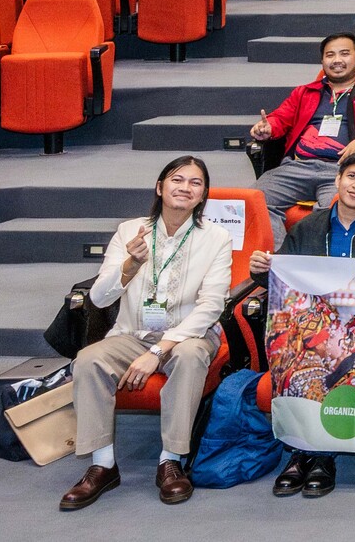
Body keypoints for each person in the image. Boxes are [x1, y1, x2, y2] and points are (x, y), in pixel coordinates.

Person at [60, 156, 230, 511]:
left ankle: (171, 461)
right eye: (177, 179)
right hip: (132, 333)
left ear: (203, 196)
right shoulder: (129, 231)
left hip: (189, 335)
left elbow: (211, 306)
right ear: (160, 187)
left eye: (195, 183)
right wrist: (130, 264)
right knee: (88, 360)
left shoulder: (216, 238)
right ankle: (103, 465)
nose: (185, 187)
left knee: (188, 356)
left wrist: (158, 352)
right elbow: (99, 298)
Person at [251, 151, 355, 501]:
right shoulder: (308, 227)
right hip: (315, 329)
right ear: (338, 179)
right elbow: (284, 284)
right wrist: (261, 272)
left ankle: (321, 456)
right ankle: (302, 450)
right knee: (298, 360)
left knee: (343, 366)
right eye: (352, 177)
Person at [250, 33, 355, 244]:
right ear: (322, 61)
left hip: (342, 170)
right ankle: (281, 256)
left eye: (344, 54)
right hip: (297, 167)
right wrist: (268, 128)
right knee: (255, 200)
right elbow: (280, 118)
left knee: (338, 210)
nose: (337, 60)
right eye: (330, 55)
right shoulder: (304, 92)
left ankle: (316, 257)